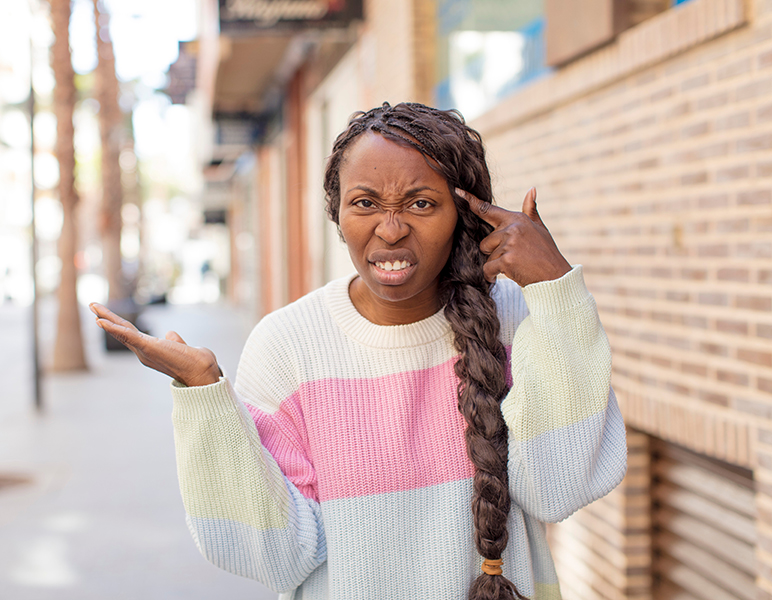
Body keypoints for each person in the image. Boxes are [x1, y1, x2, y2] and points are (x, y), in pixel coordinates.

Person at [90, 102, 627, 600]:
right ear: (338, 213)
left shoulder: (520, 317)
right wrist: (205, 395)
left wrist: (556, 289)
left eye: (421, 203)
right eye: (365, 203)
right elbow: (277, 557)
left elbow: (557, 489)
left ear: (465, 215)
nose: (390, 230)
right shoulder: (287, 346)